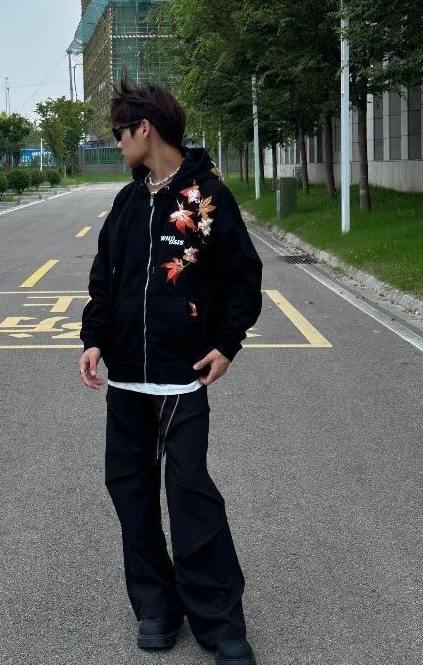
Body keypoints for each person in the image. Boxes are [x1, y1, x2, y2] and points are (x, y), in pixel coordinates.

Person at [79, 79, 263, 665]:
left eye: (120, 132)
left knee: (189, 494)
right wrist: (93, 339)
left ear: (145, 129)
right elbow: (105, 279)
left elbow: (243, 277)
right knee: (131, 494)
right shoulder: (128, 203)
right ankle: (156, 606)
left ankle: (219, 620)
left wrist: (227, 344)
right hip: (126, 378)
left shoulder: (207, 199)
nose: (117, 144)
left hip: (182, 377)